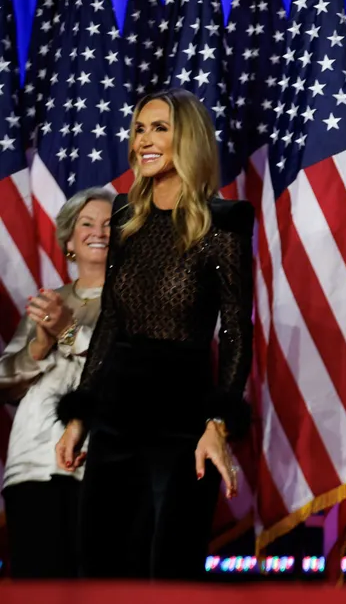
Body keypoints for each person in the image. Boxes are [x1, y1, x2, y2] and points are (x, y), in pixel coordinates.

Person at [55, 87, 254, 579]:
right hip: (116, 415)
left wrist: (217, 423)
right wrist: (82, 413)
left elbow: (234, 330)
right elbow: (111, 322)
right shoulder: (124, 215)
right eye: (140, 128)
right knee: (102, 565)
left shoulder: (224, 223)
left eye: (159, 128)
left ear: (187, 140)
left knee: (168, 569)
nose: (144, 140)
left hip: (182, 420)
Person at [0, 188, 113, 578]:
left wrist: (67, 332)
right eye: (87, 223)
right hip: (31, 463)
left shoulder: (136, 299)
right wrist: (39, 344)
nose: (99, 231)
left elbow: (118, 370)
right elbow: (5, 382)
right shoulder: (48, 301)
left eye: (110, 224)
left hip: (99, 462)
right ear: (69, 240)